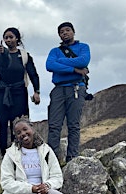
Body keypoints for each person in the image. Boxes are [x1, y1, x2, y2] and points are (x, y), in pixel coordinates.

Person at [46, 22, 91, 162]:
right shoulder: (54, 51)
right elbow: (49, 65)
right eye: (61, 31)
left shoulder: (83, 47)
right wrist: (74, 69)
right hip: (59, 89)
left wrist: (61, 62)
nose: (64, 33)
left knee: (74, 125)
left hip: (76, 88)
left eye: (67, 30)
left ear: (73, 31)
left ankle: (72, 158)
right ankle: (51, 160)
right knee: (54, 125)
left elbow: (84, 61)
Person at [0, 27, 41, 156]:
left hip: (19, 92)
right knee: (2, 123)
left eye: (11, 37)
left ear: (17, 39)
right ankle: (5, 155)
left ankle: (19, 152)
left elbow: (33, 74)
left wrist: (37, 92)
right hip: (2, 93)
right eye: (6, 38)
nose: (8, 40)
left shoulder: (24, 56)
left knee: (18, 123)